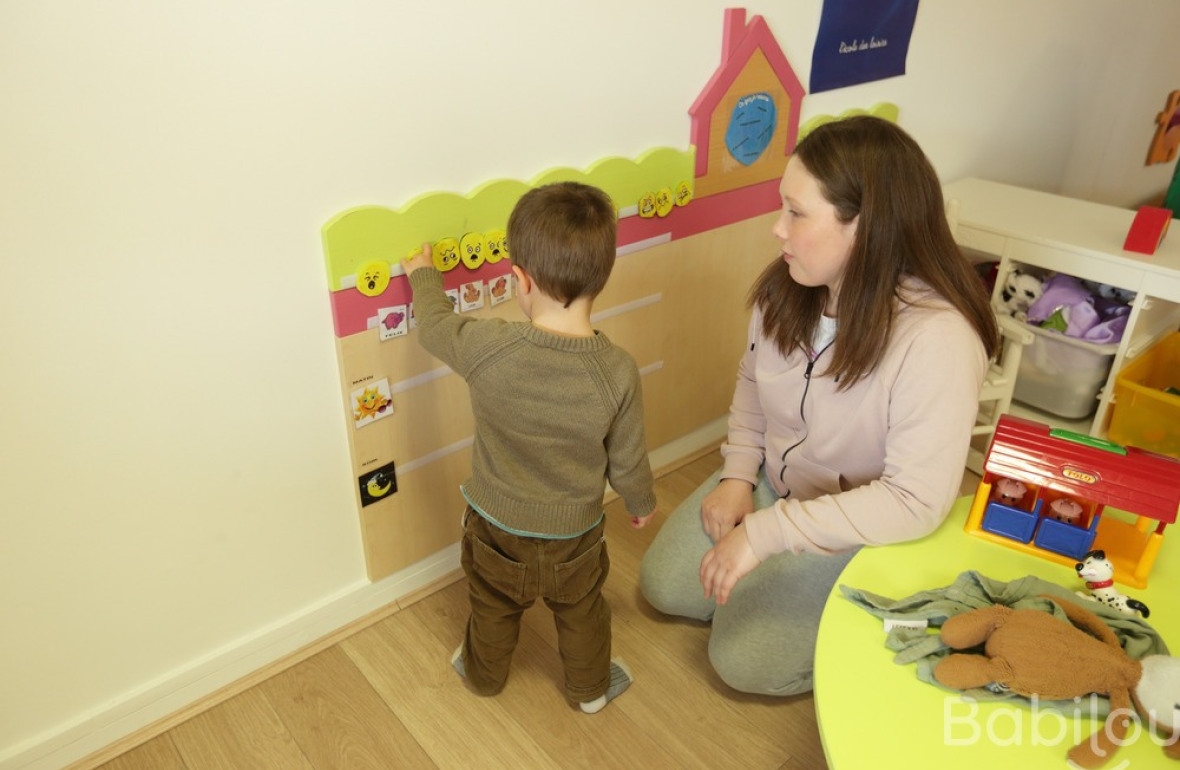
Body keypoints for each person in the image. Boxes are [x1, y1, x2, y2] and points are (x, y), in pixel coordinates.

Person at [639, 115, 1001, 697]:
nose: (776, 229)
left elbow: (914, 500)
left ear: (865, 226)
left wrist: (768, 535)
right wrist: (737, 476)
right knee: (663, 587)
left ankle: (849, 607)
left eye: (796, 213)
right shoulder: (791, 287)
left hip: (853, 520)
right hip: (775, 484)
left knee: (744, 664)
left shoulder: (937, 340)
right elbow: (752, 383)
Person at [403, 181, 658, 713]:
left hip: (496, 527)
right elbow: (628, 459)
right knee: (584, 612)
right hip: (576, 535)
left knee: (492, 606)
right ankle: (589, 692)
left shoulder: (488, 348)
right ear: (602, 277)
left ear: (520, 280)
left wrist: (424, 274)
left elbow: (433, 325)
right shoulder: (617, 372)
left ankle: (483, 675)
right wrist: (640, 504)